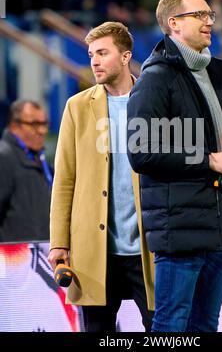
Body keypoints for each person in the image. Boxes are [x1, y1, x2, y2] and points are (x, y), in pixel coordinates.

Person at [127, 0, 222, 332]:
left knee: (206, 325)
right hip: (180, 226)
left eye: (210, 15)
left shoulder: (214, 75)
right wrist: (205, 162)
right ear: (173, 24)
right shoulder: (155, 79)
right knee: (171, 325)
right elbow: (142, 153)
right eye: (198, 15)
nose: (208, 21)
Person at [48, 21, 154, 332]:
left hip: (147, 249)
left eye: (103, 53)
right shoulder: (77, 107)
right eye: (91, 53)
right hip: (94, 250)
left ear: (125, 57)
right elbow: (64, 179)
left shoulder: (152, 102)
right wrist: (59, 242)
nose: (94, 61)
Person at [0, 100, 52, 242]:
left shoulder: (40, 159)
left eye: (44, 124)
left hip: (40, 255)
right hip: (13, 259)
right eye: (35, 124)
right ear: (14, 126)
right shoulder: (4, 157)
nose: (42, 131)